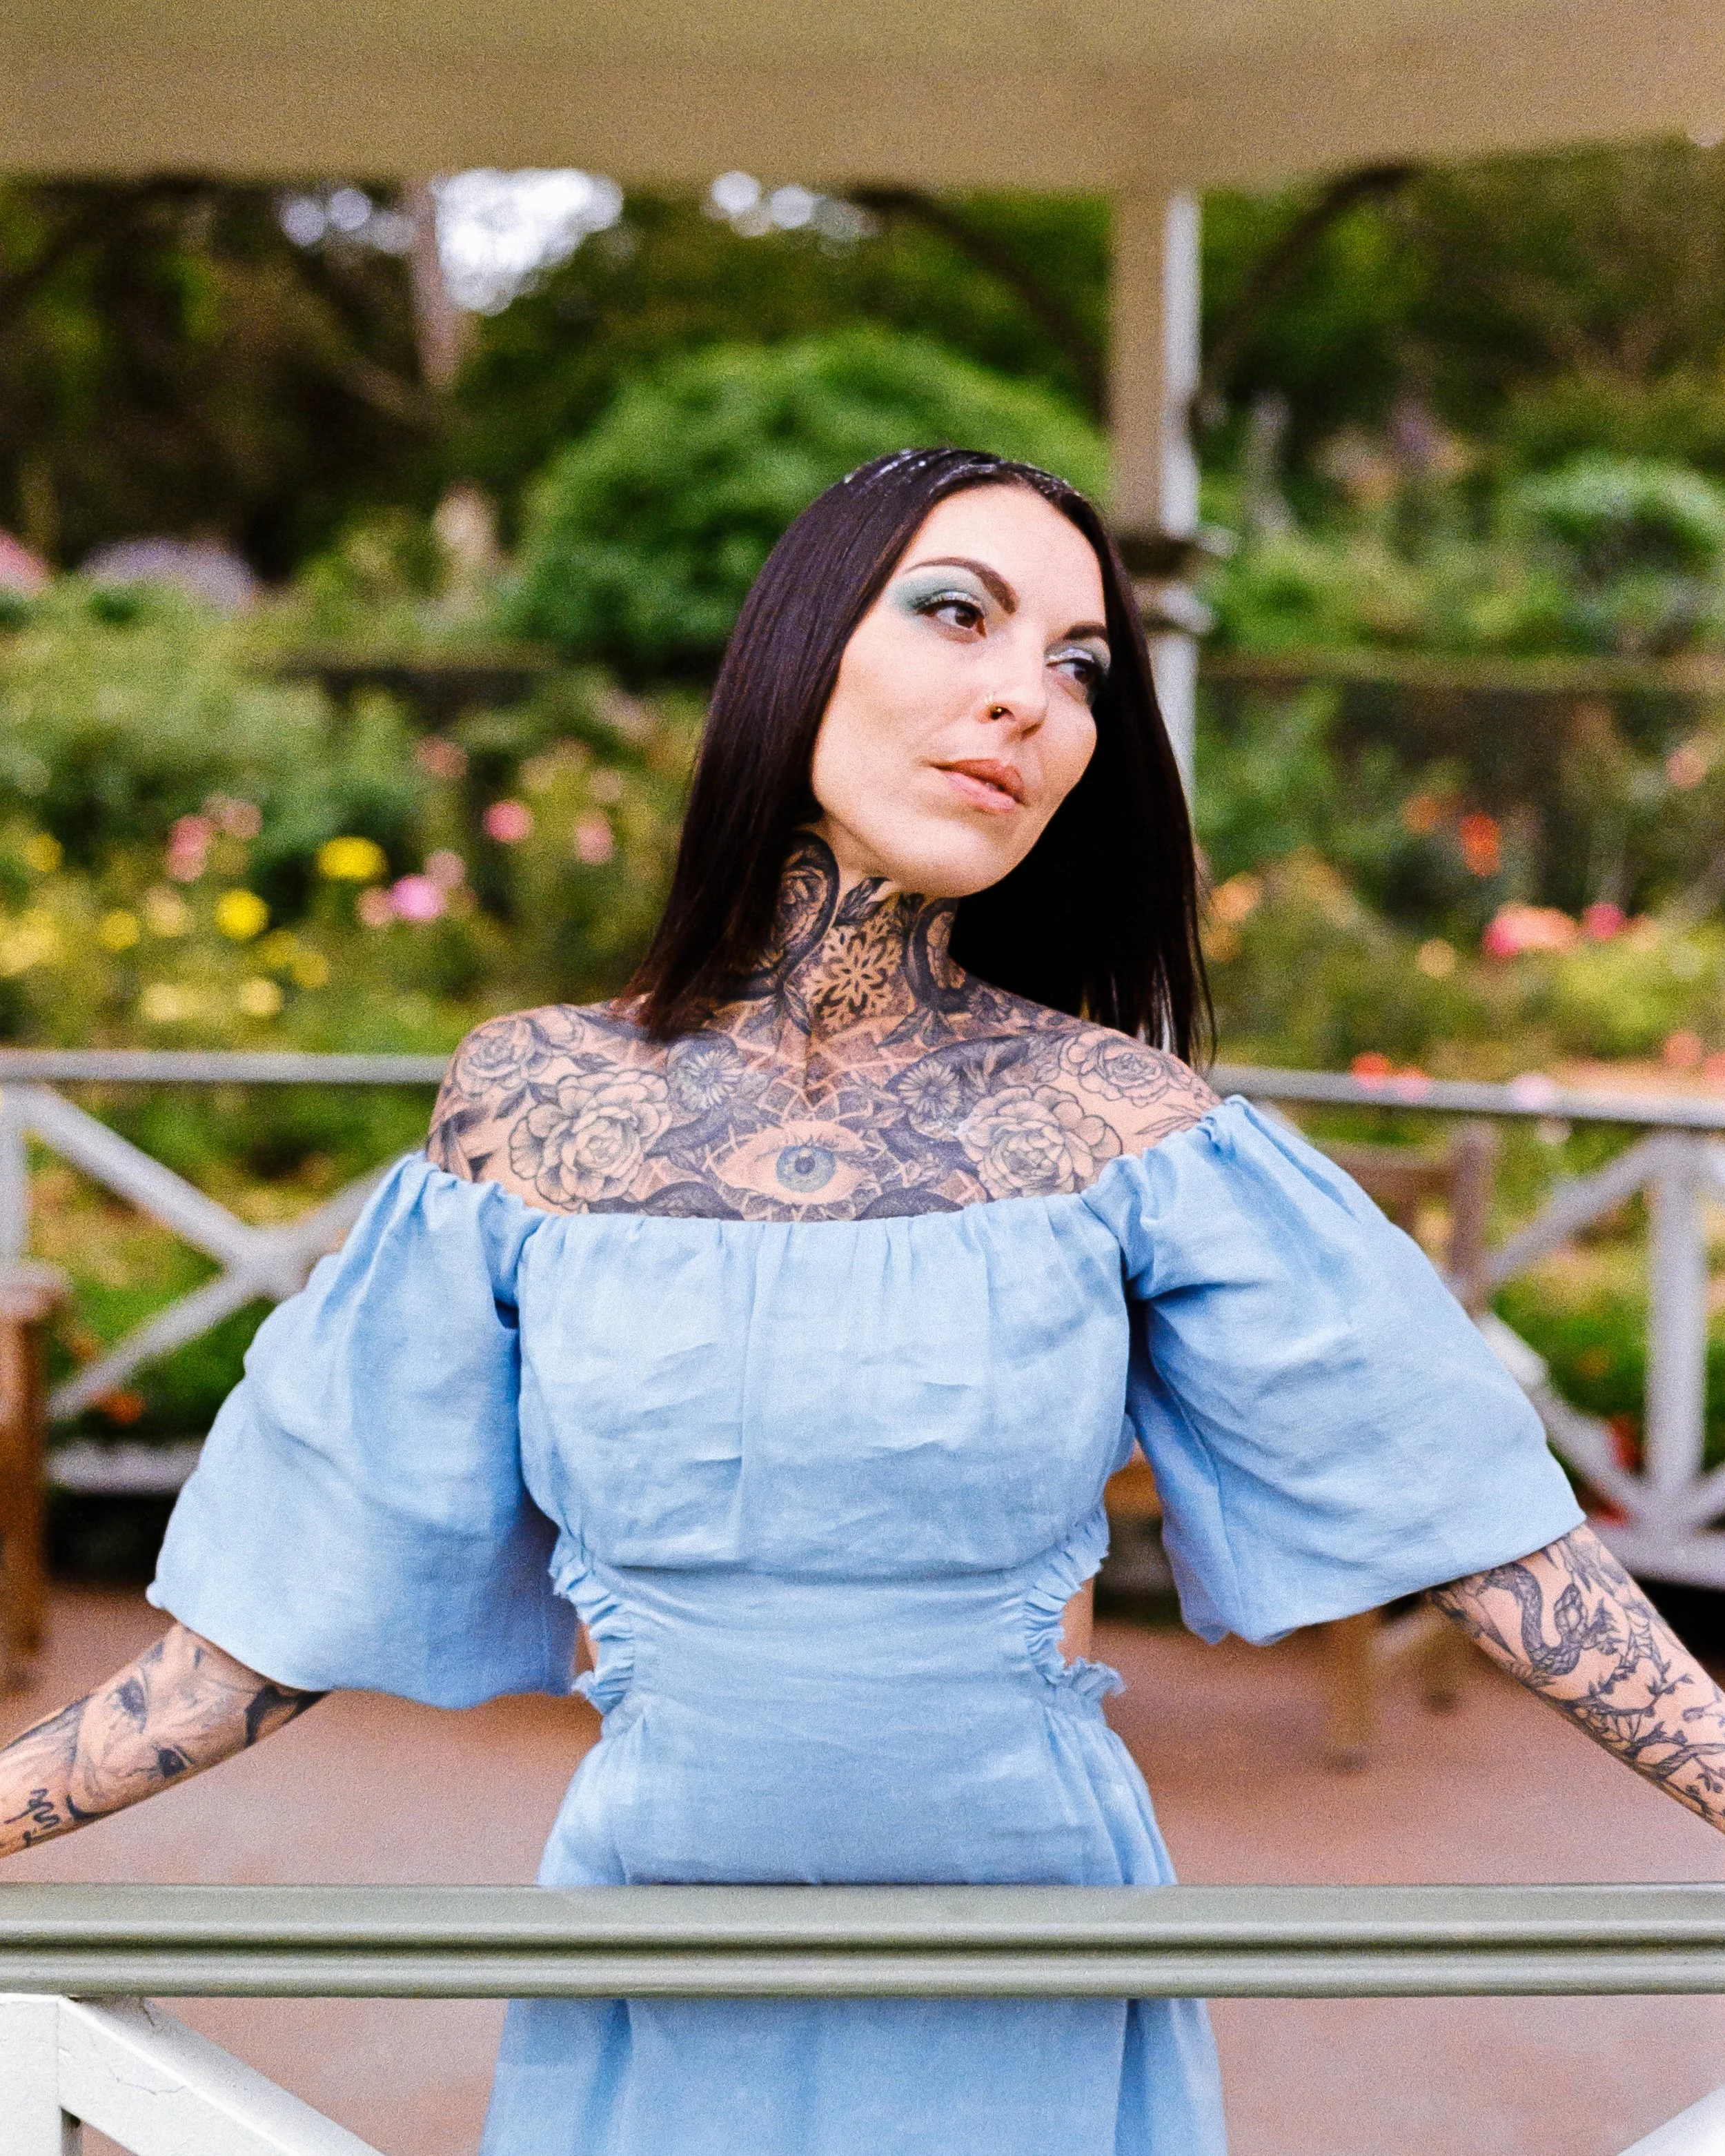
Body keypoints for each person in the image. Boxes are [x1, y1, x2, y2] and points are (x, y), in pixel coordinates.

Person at [0, 448, 1720, 2155]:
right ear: (798, 648)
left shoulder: (1121, 1129)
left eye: (1075, 667)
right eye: (956, 613)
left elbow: (1495, 1547)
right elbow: (268, 1627)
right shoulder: (531, 1114)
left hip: (1031, 1967)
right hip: (648, 1961)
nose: (1026, 701)